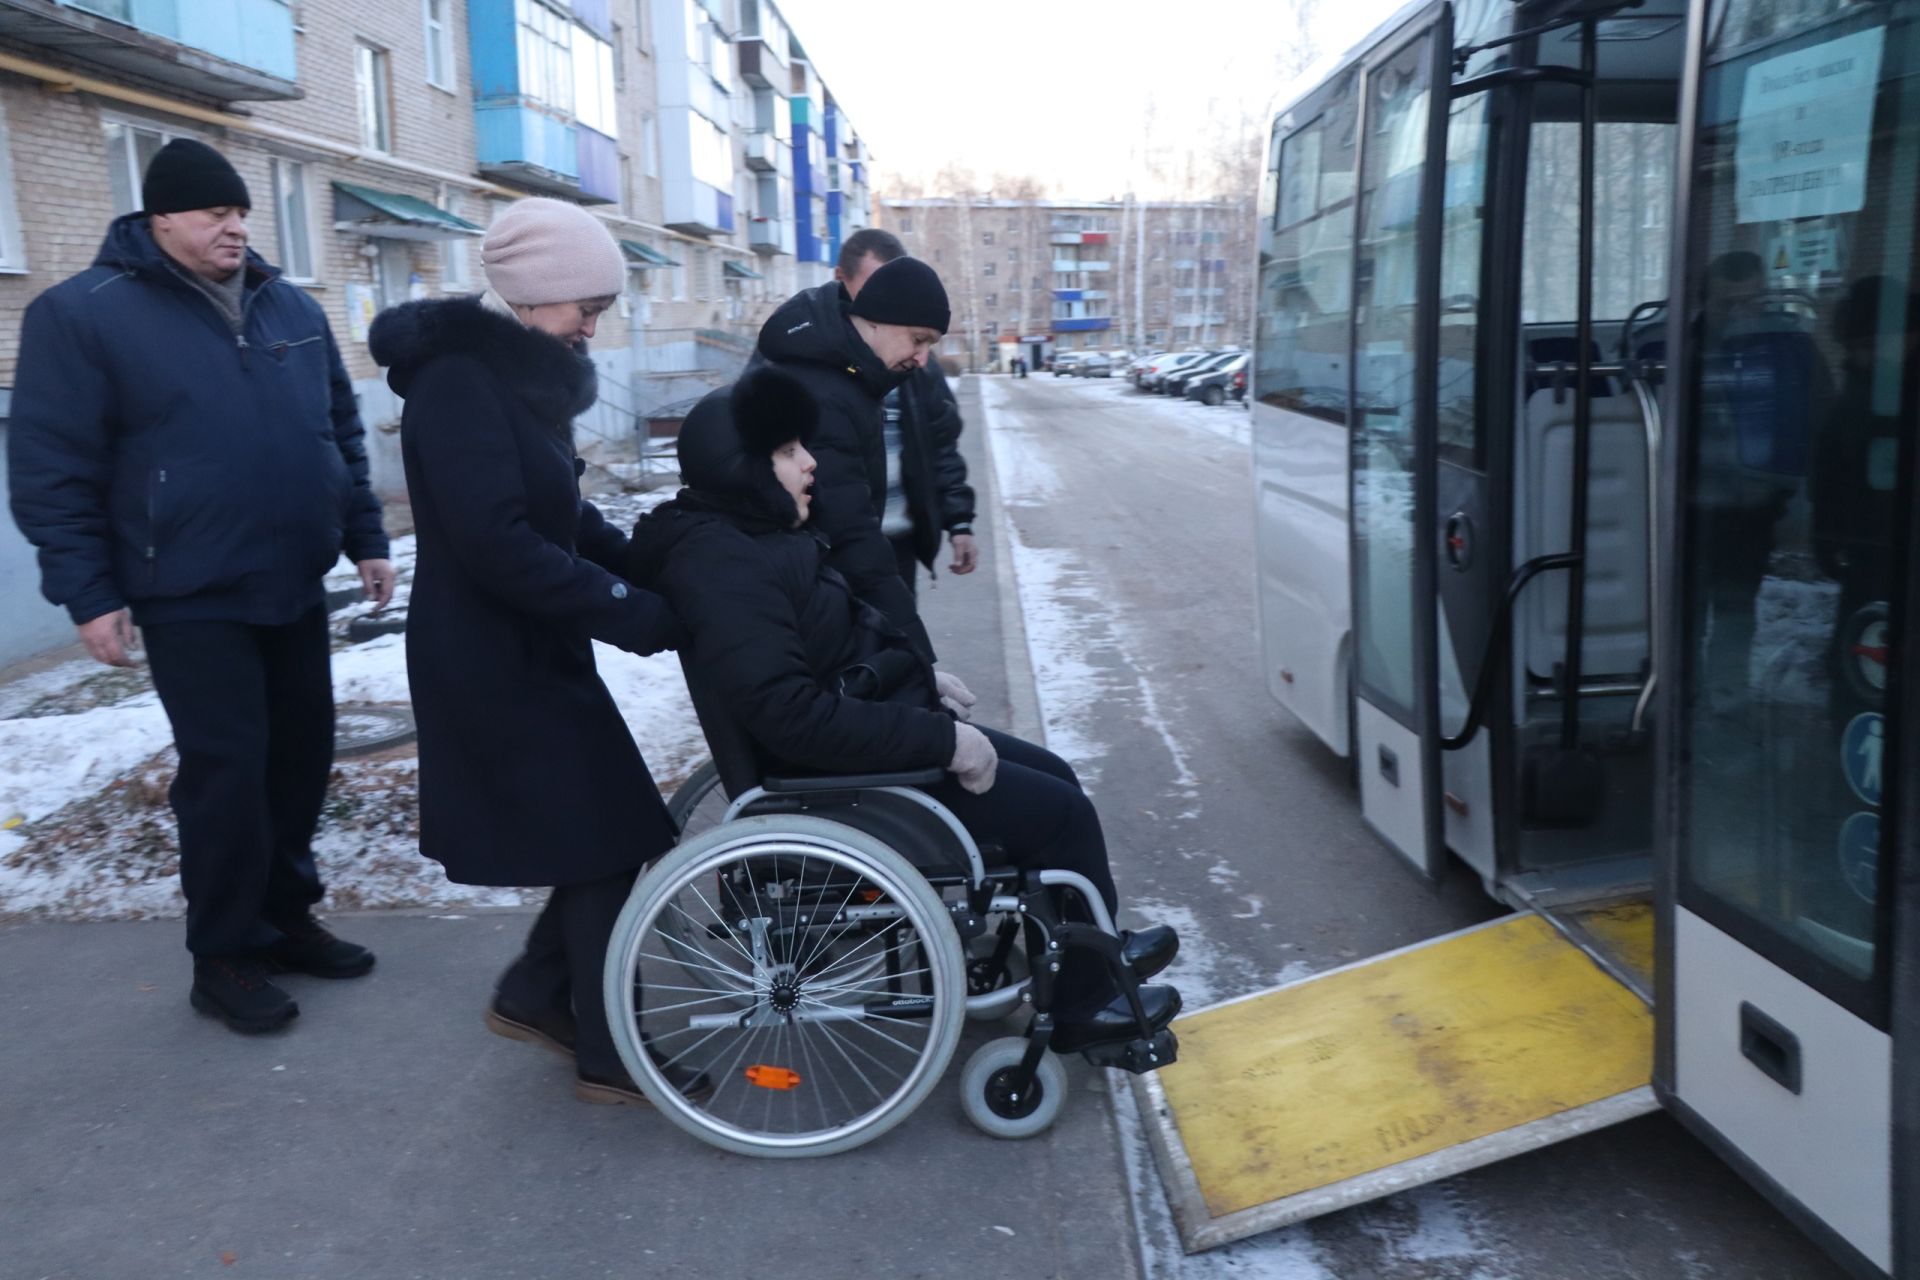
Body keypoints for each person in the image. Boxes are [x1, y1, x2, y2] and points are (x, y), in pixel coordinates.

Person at [626, 368, 1182, 1048]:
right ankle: (1082, 1009)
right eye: (788, 451)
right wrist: (943, 742)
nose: (809, 463)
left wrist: (922, 674)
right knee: (1060, 815)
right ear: (744, 468)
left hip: (865, 742)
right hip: (832, 784)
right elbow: (793, 716)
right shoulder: (725, 563)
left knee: (1055, 776)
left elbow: (833, 642)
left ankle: (1089, 955)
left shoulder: (755, 536)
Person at [8, 139, 392, 1035]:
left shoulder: (286, 303)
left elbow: (339, 428)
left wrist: (365, 537)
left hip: (294, 576)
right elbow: (52, 464)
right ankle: (222, 953)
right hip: (186, 585)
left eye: (241, 211)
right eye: (214, 212)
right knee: (226, 773)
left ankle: (286, 919)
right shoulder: (85, 314)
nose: (234, 226)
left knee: (298, 760)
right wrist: (88, 592)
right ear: (160, 219)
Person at [367, 197, 707, 1107]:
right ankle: (607, 1048)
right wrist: (628, 610)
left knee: (610, 833)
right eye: (583, 305)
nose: (594, 323)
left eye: (602, 304)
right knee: (606, 838)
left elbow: (560, 511)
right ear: (527, 295)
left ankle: (535, 996)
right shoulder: (455, 385)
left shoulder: (517, 377)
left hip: (529, 645)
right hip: (486, 656)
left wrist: (644, 565)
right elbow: (498, 542)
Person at [752, 252, 949, 660]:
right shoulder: (827, 390)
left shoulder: (847, 374)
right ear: (877, 319)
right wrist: (917, 658)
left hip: (811, 591)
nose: (922, 358)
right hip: (807, 599)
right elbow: (849, 534)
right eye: (918, 339)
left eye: (930, 344)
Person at [832, 229, 978, 599]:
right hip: (830, 563)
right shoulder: (803, 361)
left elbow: (941, 447)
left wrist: (959, 522)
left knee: (900, 651)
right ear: (840, 279)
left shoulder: (917, 365)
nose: (885, 302)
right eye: (872, 288)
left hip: (898, 550)